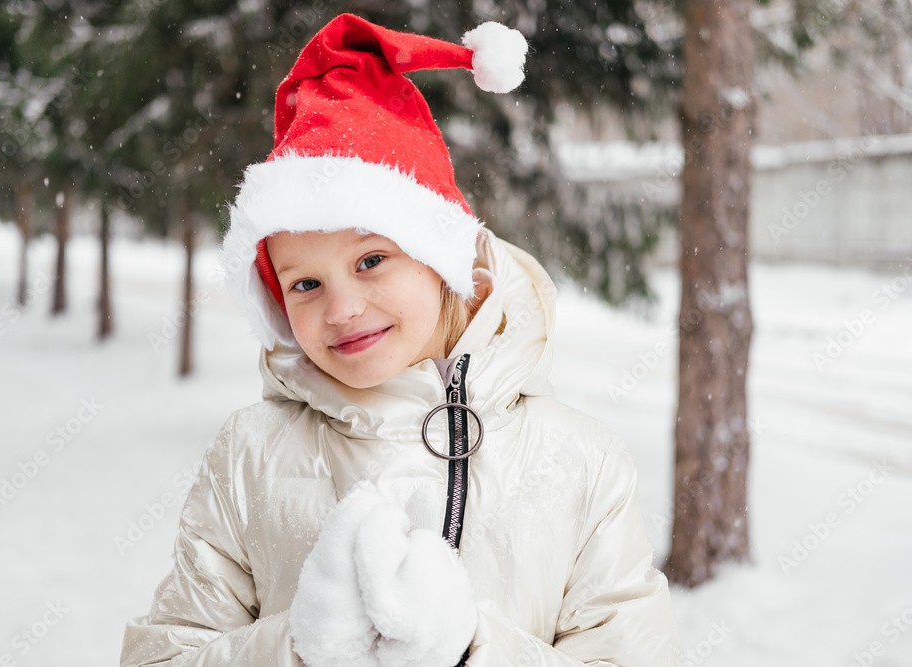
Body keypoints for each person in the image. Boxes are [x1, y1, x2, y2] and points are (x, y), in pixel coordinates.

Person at [121, 13, 682, 667]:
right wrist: (297, 646)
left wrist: (473, 648)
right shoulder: (248, 457)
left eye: (370, 261)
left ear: (445, 262)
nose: (343, 308)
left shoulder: (581, 461)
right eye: (305, 284)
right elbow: (164, 655)